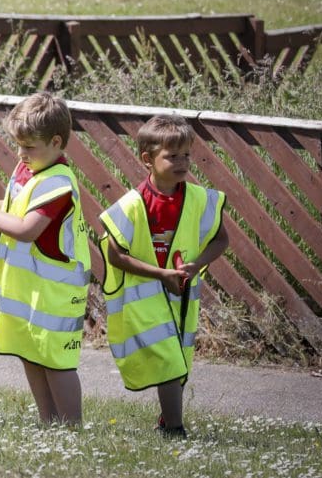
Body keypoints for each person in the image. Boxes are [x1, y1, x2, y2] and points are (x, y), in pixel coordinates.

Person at [0, 92, 92, 425]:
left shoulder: (57, 183)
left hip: (54, 295)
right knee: (31, 355)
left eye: (29, 147)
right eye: (18, 145)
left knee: (56, 362)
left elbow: (27, 229)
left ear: (56, 142)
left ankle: (71, 428)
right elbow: (17, 210)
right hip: (31, 292)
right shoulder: (31, 169)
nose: (20, 154)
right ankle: (49, 423)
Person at [98, 114, 229, 438]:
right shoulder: (132, 204)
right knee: (170, 362)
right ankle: (175, 429)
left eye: (187, 155)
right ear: (147, 160)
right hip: (144, 299)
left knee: (179, 361)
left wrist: (197, 265)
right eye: (173, 156)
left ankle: (165, 419)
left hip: (181, 296)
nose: (183, 162)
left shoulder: (199, 200)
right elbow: (115, 254)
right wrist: (159, 273)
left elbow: (221, 239)